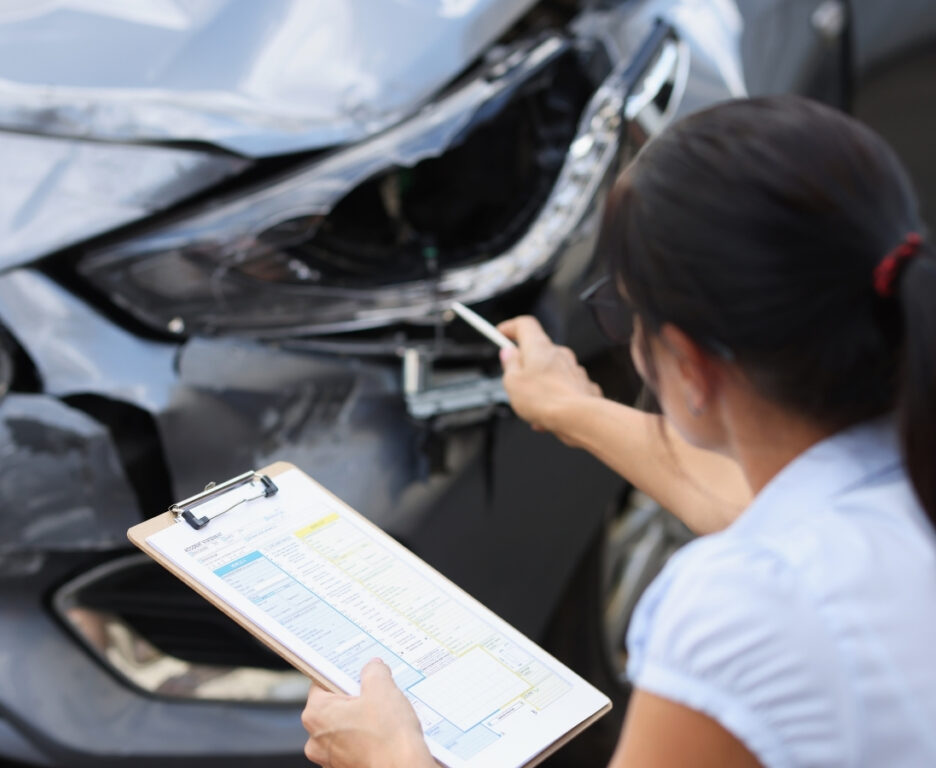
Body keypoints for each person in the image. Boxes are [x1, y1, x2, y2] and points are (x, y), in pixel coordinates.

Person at [300, 95, 936, 767]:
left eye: (624, 315)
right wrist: (571, 408)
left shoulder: (740, 608)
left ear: (687, 364)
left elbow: (771, 555)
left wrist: (392, 757)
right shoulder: (903, 482)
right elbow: (765, 511)